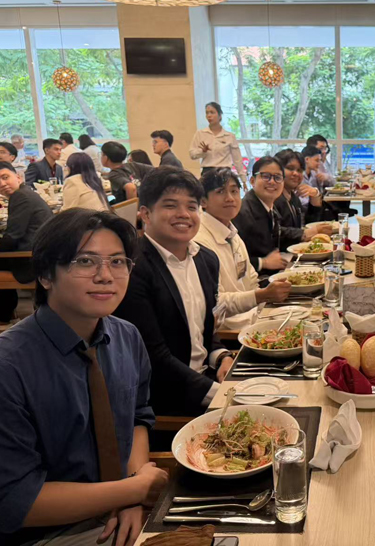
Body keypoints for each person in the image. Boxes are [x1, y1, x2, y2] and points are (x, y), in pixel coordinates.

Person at [0, 209, 168, 546]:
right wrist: (133, 490)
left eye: (118, 262)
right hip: (36, 536)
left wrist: (131, 492)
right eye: (85, 261)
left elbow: (137, 416)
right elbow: (14, 503)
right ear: (45, 274)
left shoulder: (126, 336)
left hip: (117, 509)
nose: (106, 276)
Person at [113, 167, 233, 416]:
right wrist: (222, 395)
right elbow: (153, 357)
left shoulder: (206, 259)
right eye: (170, 205)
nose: (184, 214)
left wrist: (222, 356)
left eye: (192, 206)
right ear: (145, 213)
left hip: (206, 380)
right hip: (167, 397)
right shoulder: (132, 268)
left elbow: (203, 329)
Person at [195, 168, 291, 330]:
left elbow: (251, 280)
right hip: (231, 331)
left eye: (234, 191)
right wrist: (261, 296)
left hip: (254, 317)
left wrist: (268, 296)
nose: (230, 198)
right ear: (203, 201)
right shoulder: (200, 242)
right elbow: (215, 303)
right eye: (220, 192)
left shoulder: (232, 233)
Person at [0, 162, 53, 332]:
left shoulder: (20, 197)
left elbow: (13, 235)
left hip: (32, 259)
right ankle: (7, 313)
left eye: (5, 177)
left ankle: (0, 317)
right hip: (42, 252)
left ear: (18, 177)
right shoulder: (25, 193)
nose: (2, 184)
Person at [233, 157, 303, 273]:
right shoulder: (242, 212)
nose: (272, 182)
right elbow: (231, 261)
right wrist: (263, 262)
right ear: (252, 181)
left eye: (277, 178)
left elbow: (277, 232)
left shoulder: (269, 207)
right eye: (266, 176)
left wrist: (303, 234)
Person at [189, 101, 248, 189]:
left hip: (224, 172)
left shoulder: (229, 136)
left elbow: (237, 160)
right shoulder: (200, 134)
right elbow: (192, 154)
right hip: (207, 172)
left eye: (212, 112)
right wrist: (202, 151)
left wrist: (243, 180)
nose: (209, 115)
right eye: (207, 113)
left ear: (220, 116)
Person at [274, 149, 332, 236]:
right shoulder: (272, 197)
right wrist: (309, 232)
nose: (296, 173)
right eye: (290, 168)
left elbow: (308, 223)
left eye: (299, 170)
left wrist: (315, 196)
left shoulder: (293, 197)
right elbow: (275, 233)